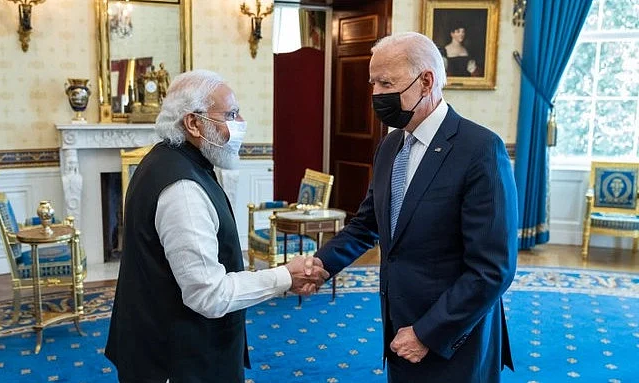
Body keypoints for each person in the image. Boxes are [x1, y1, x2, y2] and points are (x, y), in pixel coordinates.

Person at [306, 32, 517, 382]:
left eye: (386, 82)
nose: (376, 94)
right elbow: (367, 224)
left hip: (454, 337)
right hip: (398, 326)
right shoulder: (390, 146)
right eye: (373, 83)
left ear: (426, 82)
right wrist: (320, 265)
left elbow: (492, 269)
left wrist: (426, 334)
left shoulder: (480, 150)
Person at [105, 69, 329, 383]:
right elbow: (208, 294)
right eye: (231, 114)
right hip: (179, 361)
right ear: (193, 123)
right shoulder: (181, 189)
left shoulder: (167, 161)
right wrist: (285, 276)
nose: (239, 125)